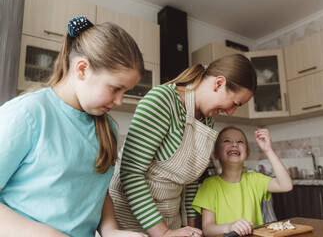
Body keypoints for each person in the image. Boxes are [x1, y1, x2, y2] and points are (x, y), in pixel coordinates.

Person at [0, 16, 147, 237]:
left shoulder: (107, 128)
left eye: (125, 92)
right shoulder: (28, 114)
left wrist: (111, 230)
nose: (119, 101)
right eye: (116, 88)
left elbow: (97, 190)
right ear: (81, 69)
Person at [109, 53, 257, 237]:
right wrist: (163, 232)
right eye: (234, 103)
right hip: (131, 221)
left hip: (170, 221)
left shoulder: (206, 119)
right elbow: (130, 173)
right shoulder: (162, 101)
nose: (230, 112)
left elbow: (190, 181)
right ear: (219, 83)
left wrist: (191, 229)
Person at [192, 126, 293, 236]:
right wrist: (230, 227)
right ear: (216, 153)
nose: (234, 144)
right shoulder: (209, 185)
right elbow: (207, 229)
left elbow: (286, 185)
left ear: (247, 154)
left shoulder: (255, 179)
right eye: (227, 141)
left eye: (240, 142)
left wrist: (268, 150)